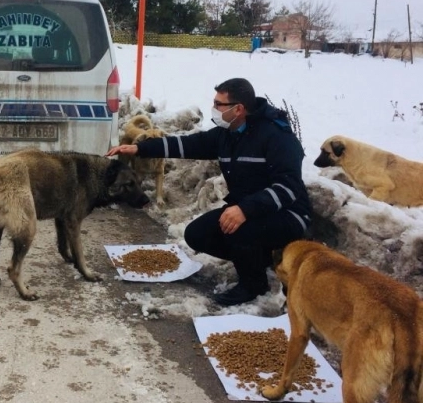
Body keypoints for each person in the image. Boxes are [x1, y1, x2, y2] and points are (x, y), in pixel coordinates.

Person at [106, 78, 312, 306]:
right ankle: (258, 258)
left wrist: (245, 209)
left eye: (219, 104)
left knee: (240, 230)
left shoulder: (277, 137)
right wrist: (140, 148)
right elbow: (187, 144)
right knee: (197, 234)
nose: (213, 109)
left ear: (239, 108)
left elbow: (288, 187)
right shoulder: (228, 133)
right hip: (248, 210)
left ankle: (253, 283)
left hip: (288, 214)